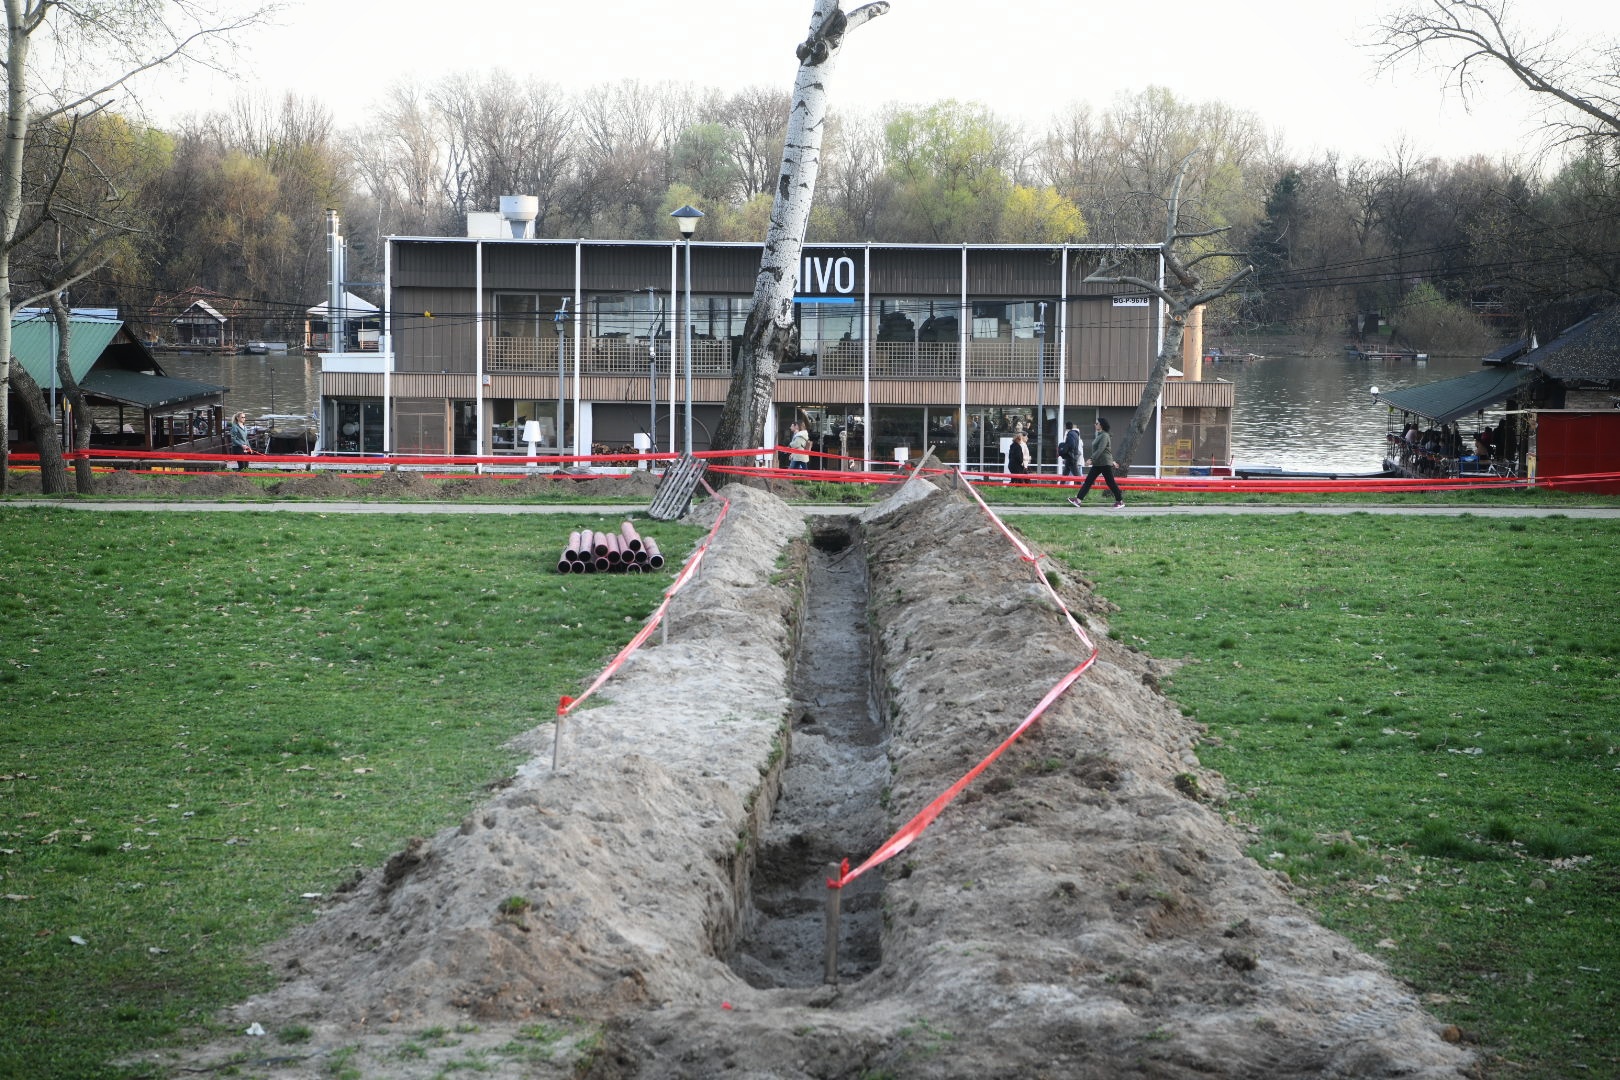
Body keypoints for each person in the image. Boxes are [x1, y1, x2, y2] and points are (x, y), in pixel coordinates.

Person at [1067, 417, 1125, 509]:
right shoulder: (1100, 435)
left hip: (1104, 463)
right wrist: (1110, 461)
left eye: (1097, 423)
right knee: (1088, 481)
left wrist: (1091, 459)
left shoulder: (1104, 435)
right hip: (1098, 463)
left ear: (1101, 425)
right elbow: (1105, 450)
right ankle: (1078, 500)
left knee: (1110, 482)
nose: (1095, 425)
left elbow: (1101, 449)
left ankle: (1120, 501)